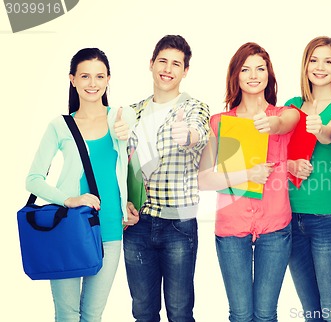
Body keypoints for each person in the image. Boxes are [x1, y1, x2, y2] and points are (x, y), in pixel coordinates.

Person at [25, 47, 136, 321]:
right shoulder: (59, 126)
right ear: (72, 79)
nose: (92, 84)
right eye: (85, 76)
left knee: (92, 315)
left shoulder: (122, 118)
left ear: (108, 79)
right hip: (69, 228)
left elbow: (131, 163)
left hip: (110, 229)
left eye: (99, 76)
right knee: (67, 314)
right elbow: (33, 179)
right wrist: (69, 199)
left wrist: (129, 203)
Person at [198, 42, 299, 322]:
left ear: (269, 74)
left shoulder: (283, 116)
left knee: (266, 315)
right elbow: (204, 180)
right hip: (231, 227)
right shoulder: (219, 122)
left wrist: (274, 126)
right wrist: (247, 175)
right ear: (236, 76)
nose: (254, 75)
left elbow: (290, 122)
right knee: (241, 315)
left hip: (275, 227)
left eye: (260, 68)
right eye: (245, 69)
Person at [123, 35, 210, 322]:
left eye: (176, 64)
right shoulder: (132, 113)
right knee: (143, 313)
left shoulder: (194, 108)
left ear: (185, 71)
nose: (168, 69)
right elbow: (120, 165)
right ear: (151, 64)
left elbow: (198, 135)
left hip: (179, 225)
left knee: (180, 313)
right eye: (163, 61)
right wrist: (124, 204)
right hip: (137, 225)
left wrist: (188, 135)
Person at [285, 36, 331, 322]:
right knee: (311, 312)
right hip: (289, 216)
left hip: (329, 217)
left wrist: (320, 128)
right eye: (314, 60)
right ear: (305, 65)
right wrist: (290, 164)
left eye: (328, 61)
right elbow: (274, 156)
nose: (320, 67)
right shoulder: (291, 105)